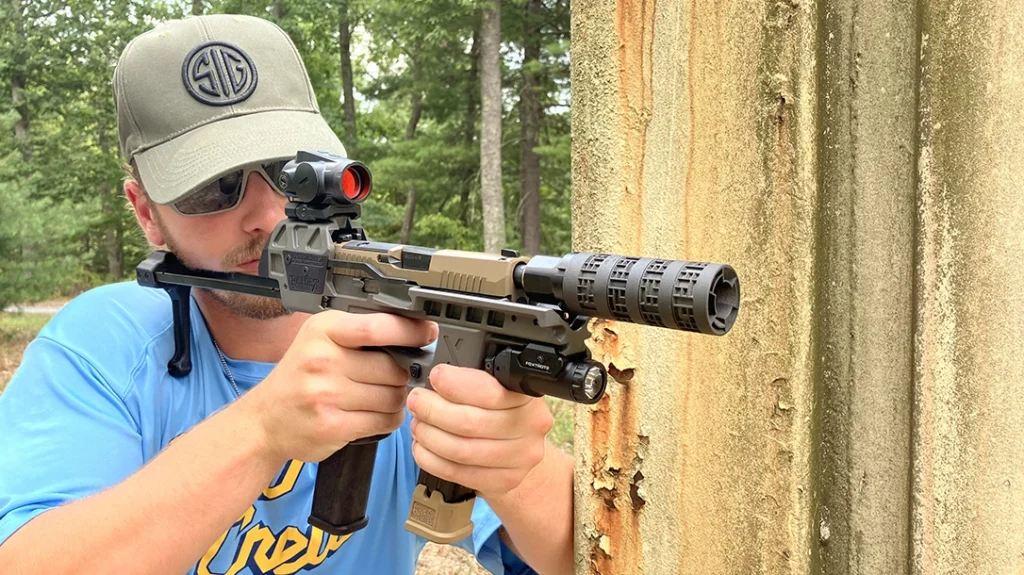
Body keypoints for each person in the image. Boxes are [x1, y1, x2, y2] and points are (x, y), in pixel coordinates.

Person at [0, 14, 573, 575]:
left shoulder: (408, 334)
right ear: (146, 212)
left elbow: (587, 556)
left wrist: (516, 471)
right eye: (213, 187)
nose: (267, 214)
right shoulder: (105, 344)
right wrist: (262, 431)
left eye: (289, 171)